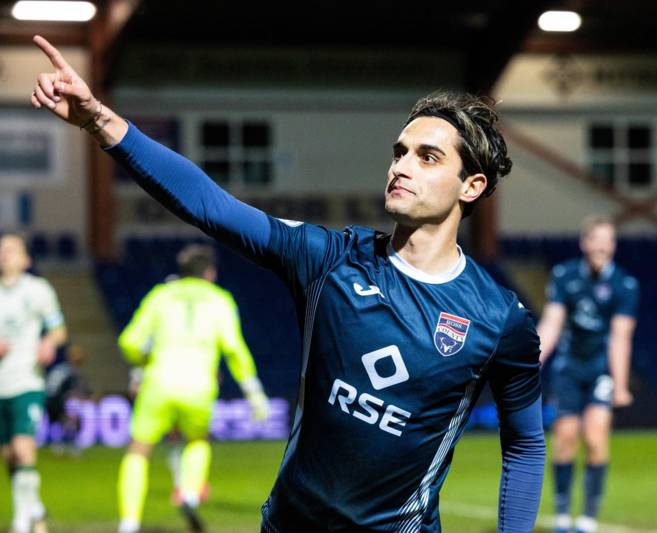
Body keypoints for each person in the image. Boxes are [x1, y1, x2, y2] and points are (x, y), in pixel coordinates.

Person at [31, 34, 545, 533]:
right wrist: (98, 119)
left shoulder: (499, 319)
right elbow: (213, 207)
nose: (400, 167)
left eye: (427, 157)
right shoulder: (330, 260)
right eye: (400, 152)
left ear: (471, 186)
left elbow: (524, 443)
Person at [114, 243, 271, 533]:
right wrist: (254, 393)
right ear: (209, 273)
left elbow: (129, 342)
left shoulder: (161, 295)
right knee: (197, 441)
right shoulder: (220, 300)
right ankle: (188, 492)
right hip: (199, 385)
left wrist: (144, 361)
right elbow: (234, 350)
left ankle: (129, 522)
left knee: (138, 450)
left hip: (159, 381)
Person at [536, 215, 639, 533]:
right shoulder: (564, 275)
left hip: (600, 371)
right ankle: (562, 515)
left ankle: (588, 517)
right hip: (568, 368)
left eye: (609, 241)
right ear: (585, 243)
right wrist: (531, 363)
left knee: (595, 438)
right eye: (597, 240)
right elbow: (551, 324)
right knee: (565, 439)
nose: (602, 247)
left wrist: (620, 385)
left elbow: (621, 338)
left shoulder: (624, 285)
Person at [0, 233, 68, 533]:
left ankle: (21, 523)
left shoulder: (38, 290)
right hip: (1, 384)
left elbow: (59, 330)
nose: (4, 253)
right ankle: (35, 508)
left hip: (27, 380)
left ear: (26, 259)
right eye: (1, 248)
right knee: (10, 456)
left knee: (23, 449)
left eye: (11, 249)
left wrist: (48, 343)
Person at [44, 344, 90, 456]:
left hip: (51, 399)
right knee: (72, 421)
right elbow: (68, 391)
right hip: (57, 400)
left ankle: (59, 446)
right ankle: (71, 446)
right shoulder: (68, 371)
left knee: (59, 423)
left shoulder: (61, 368)